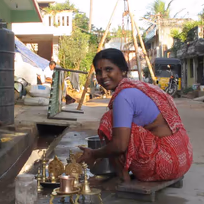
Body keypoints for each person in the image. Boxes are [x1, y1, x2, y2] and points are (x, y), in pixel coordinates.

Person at [78, 48, 193, 182]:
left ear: (122, 70)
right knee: (122, 127)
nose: (103, 76)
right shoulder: (140, 87)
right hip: (183, 157)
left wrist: (94, 154)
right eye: (98, 72)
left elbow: (120, 145)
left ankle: (123, 178)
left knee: (109, 120)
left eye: (109, 69)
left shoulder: (123, 96)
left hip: (166, 165)